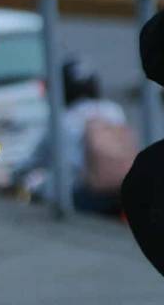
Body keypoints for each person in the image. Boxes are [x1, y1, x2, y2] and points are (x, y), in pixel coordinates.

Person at [14, 57, 135, 215]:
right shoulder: (113, 110)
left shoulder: (63, 120)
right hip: (121, 186)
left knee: (47, 194)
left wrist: (15, 174)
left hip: (85, 193)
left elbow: (37, 158)